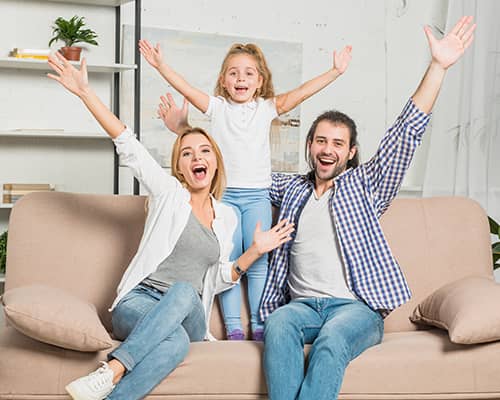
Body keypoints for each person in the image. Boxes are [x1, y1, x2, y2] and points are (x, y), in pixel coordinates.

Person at [159, 16, 476, 400]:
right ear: (310, 146)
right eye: (321, 140)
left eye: (338, 143)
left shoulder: (367, 186)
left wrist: (437, 68)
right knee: (277, 327)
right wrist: (183, 132)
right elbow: (228, 170)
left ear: (351, 152)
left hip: (353, 311)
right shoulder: (289, 189)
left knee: (330, 343)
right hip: (301, 308)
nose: (328, 149)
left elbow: (403, 138)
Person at [46, 51, 294, 400]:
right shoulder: (167, 195)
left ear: (215, 162)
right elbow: (127, 144)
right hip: (139, 303)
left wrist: (254, 252)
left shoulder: (228, 217)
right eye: (188, 152)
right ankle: (113, 392)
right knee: (175, 342)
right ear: (178, 166)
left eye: (205, 151)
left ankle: (112, 370)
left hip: (189, 311)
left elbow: (218, 278)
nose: (197, 157)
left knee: (182, 292)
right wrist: (86, 93)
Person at [139, 39, 352, 340]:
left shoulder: (266, 108)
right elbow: (186, 88)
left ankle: (259, 324)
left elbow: (301, 92)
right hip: (222, 197)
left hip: (257, 196)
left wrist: (334, 71)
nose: (241, 79)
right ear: (223, 82)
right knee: (227, 261)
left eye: (249, 73)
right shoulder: (217, 107)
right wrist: (161, 65)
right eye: (234, 73)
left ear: (260, 81)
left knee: (258, 259)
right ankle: (234, 328)